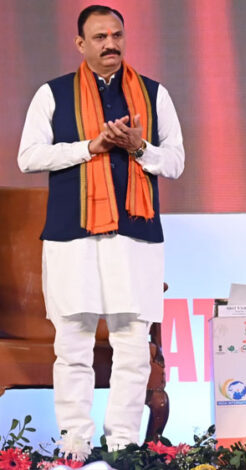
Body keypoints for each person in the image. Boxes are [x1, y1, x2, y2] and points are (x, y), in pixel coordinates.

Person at [17, 5, 184, 456]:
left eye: (116, 35)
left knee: (132, 345)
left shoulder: (154, 94)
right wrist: (90, 147)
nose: (110, 44)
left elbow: (175, 161)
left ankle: (124, 445)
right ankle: (74, 445)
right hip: (72, 238)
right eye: (99, 37)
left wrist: (139, 147)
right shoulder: (52, 94)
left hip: (135, 237)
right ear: (80, 44)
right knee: (73, 342)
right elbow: (28, 156)